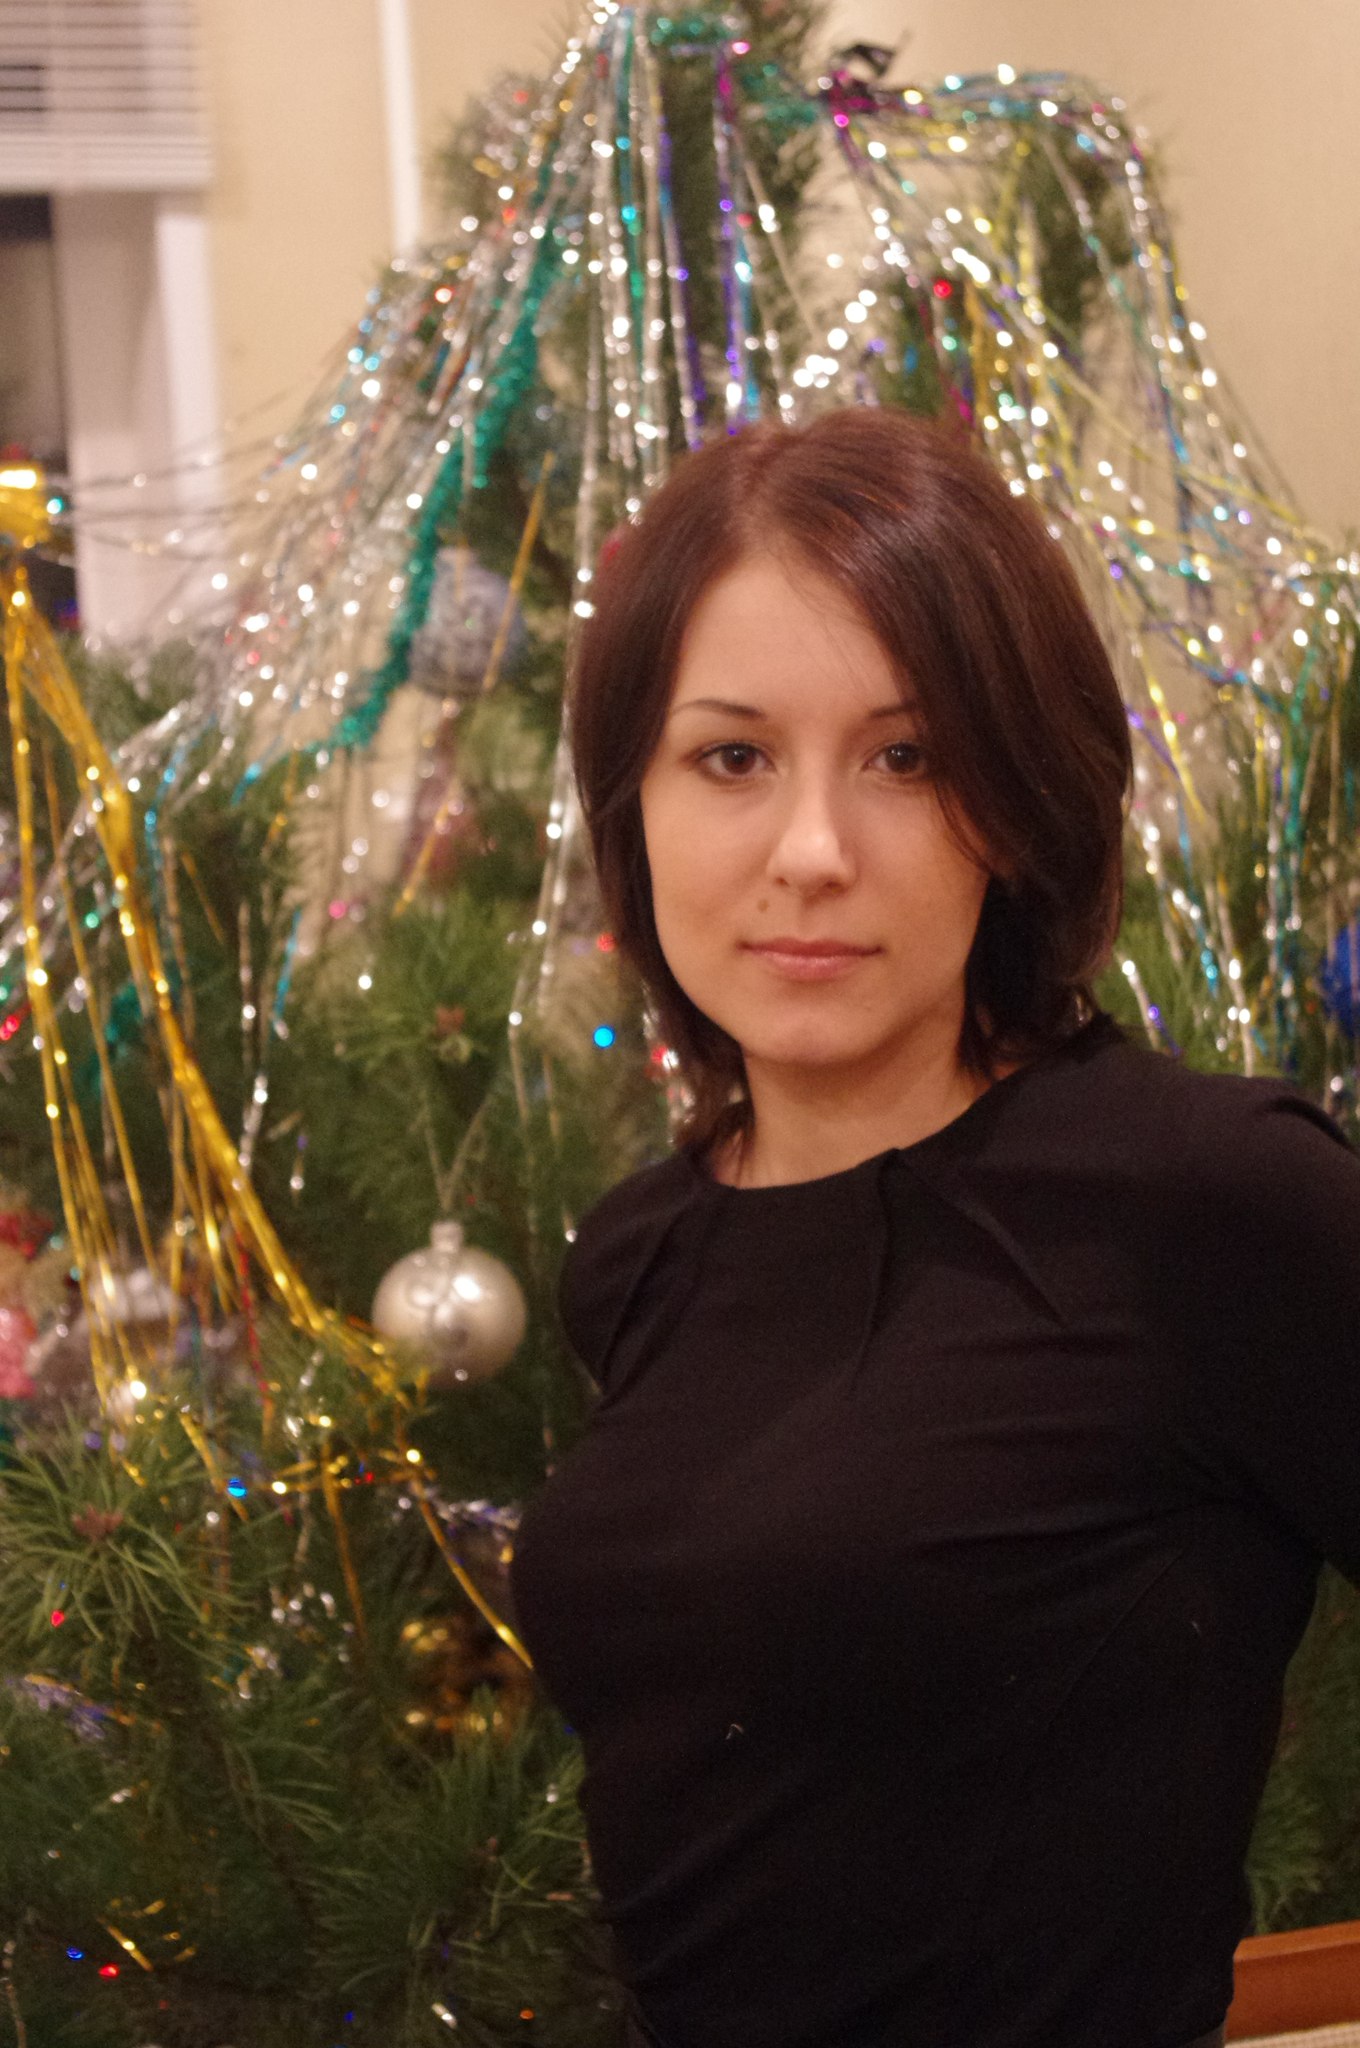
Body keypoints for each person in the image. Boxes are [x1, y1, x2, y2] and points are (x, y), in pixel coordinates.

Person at [507, 408, 1360, 2048]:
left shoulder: (1202, 1201)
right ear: (636, 805)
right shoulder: (637, 1258)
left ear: (1018, 806)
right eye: (732, 758)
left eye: (907, 759)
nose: (813, 853)